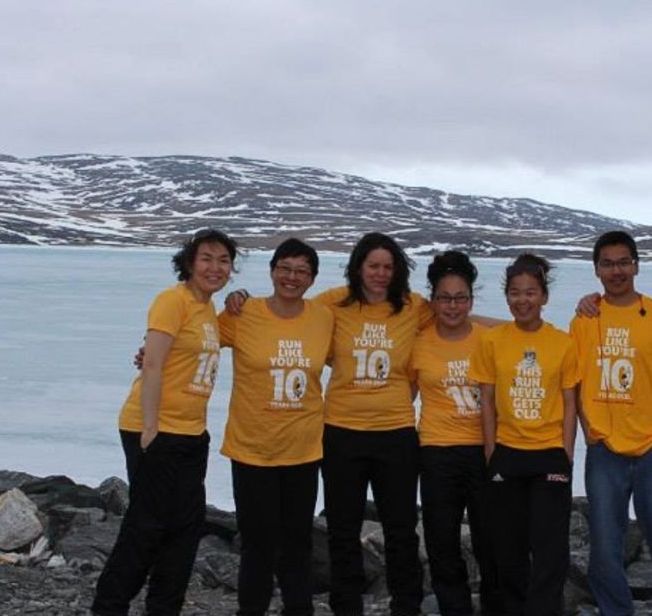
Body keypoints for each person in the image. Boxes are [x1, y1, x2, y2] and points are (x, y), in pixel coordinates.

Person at [92, 228, 237, 616]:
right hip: (154, 429)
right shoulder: (172, 301)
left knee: (186, 528)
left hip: (192, 433)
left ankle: (163, 608)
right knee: (146, 528)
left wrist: (238, 303)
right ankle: (109, 606)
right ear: (189, 262)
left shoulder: (206, 309)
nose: (215, 267)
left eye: (224, 261)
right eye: (206, 258)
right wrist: (151, 430)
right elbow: (153, 363)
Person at [568, 231, 652, 616]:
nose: (616, 270)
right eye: (607, 263)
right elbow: (576, 382)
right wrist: (590, 432)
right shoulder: (585, 320)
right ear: (596, 270)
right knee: (605, 546)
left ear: (636, 265)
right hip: (606, 451)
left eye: (624, 262)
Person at [313, 232, 430, 616]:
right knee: (342, 531)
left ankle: (406, 606)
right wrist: (238, 303)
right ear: (358, 267)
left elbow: (459, 317)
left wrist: (523, 324)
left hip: (395, 435)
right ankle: (347, 607)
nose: (380, 274)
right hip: (341, 432)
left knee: (400, 530)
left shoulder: (413, 307)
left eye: (388, 266)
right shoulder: (333, 303)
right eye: (373, 266)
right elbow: (286, 318)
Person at [217, 238, 334, 616]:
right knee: (257, 543)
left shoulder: (324, 317)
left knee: (298, 542)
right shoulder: (243, 312)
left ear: (313, 279)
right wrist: (149, 350)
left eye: (302, 271)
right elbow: (196, 340)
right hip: (252, 448)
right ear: (272, 271)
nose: (292, 277)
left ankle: (298, 610)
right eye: (285, 268)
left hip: (303, 448)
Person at [469, 253, 578, 616]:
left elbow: (569, 402)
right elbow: (486, 400)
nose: (523, 300)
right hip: (507, 454)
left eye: (531, 292)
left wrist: (566, 454)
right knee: (509, 548)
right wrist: (490, 452)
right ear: (507, 298)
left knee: (549, 550)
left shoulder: (562, 343)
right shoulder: (492, 341)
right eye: (515, 293)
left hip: (549, 454)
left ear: (544, 297)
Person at [408, 251, 501, 616]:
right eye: (445, 298)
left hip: (485, 450)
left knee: (490, 541)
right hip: (436, 451)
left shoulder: (489, 338)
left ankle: (496, 607)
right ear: (432, 302)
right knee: (441, 541)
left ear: (471, 300)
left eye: (460, 298)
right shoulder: (419, 342)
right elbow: (405, 396)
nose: (452, 305)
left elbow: (536, 333)